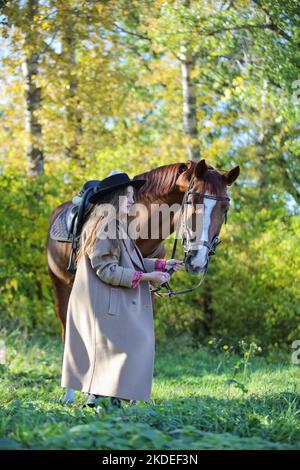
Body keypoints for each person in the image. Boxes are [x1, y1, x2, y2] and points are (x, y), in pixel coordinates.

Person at [60, 171, 184, 410]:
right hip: (101, 304)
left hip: (109, 301)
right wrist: (148, 277)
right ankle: (101, 398)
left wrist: (162, 264)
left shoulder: (117, 225)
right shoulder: (105, 226)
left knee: (136, 341)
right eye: (128, 196)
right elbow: (106, 269)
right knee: (137, 340)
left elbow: (130, 262)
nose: (132, 201)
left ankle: (105, 397)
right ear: (116, 199)